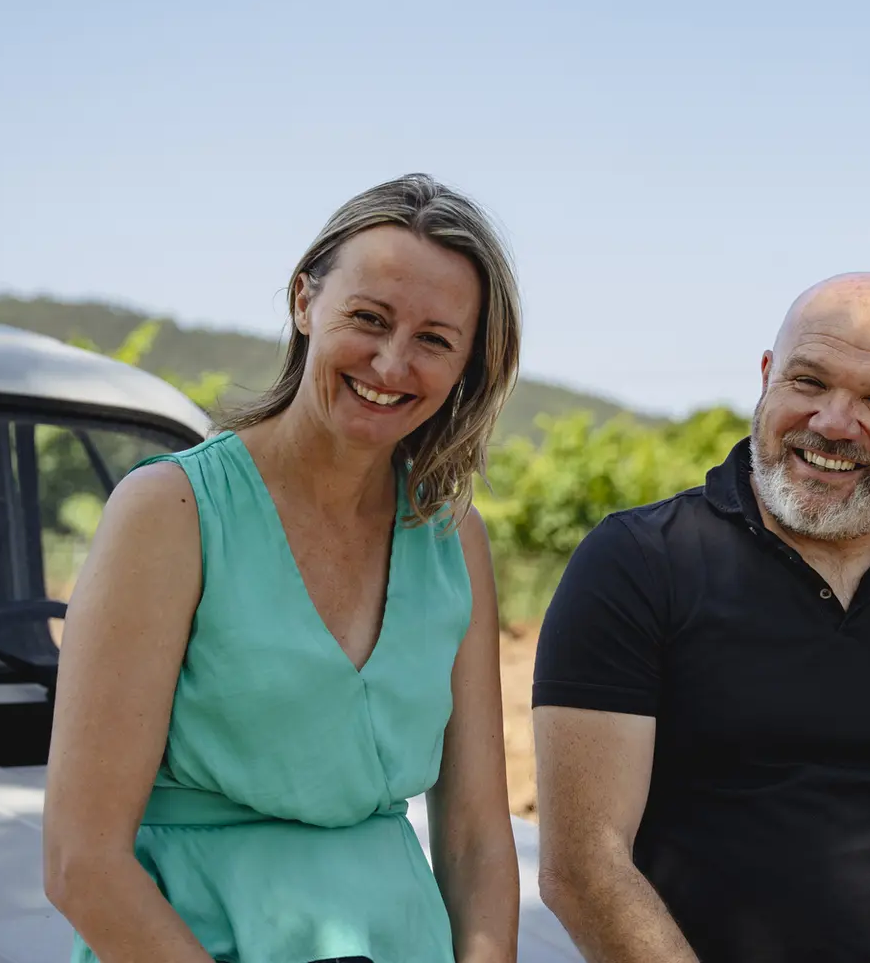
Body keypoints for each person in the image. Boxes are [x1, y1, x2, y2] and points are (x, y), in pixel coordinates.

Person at [42, 174, 523, 963]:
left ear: (468, 361)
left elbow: (474, 838)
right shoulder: (172, 512)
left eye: (435, 339)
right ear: (305, 302)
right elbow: (80, 863)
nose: (392, 362)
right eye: (368, 319)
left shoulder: (452, 536)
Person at [531, 273, 870, 963]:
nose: (834, 423)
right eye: (809, 383)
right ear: (768, 378)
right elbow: (585, 867)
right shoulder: (638, 563)